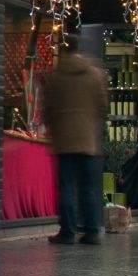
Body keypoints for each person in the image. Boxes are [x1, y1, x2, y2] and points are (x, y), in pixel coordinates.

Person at [42, 32, 111, 245]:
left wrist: (55, 125)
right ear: (79, 49)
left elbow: (48, 108)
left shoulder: (55, 75)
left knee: (66, 187)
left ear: (64, 49)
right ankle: (91, 230)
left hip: (64, 139)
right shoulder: (94, 74)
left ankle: (68, 231)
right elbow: (102, 106)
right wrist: (89, 119)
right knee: (89, 187)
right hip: (87, 138)